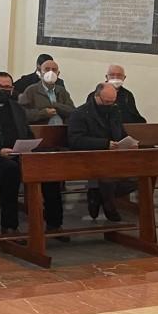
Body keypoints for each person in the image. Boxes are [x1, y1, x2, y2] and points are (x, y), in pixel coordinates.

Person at [0, 72, 66, 237]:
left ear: (12, 89)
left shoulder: (17, 108)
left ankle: (54, 224)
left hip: (19, 153)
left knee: (47, 167)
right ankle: (9, 226)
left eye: (7, 87)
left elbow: (27, 133)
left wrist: (28, 146)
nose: (3, 90)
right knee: (11, 171)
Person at [67, 83, 137, 222]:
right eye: (106, 102)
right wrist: (105, 144)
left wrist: (130, 142)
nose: (110, 105)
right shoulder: (80, 113)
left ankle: (99, 194)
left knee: (139, 173)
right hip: (90, 156)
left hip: (114, 155)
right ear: (96, 96)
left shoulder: (114, 110)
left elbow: (120, 132)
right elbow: (75, 140)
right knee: (108, 176)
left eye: (113, 102)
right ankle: (109, 205)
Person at [19, 59, 76, 125]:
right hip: (40, 131)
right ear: (40, 72)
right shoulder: (31, 90)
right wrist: (43, 113)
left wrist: (56, 105)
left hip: (61, 130)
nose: (51, 72)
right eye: (47, 69)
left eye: (54, 70)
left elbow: (73, 111)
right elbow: (21, 113)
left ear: (58, 74)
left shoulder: (62, 91)